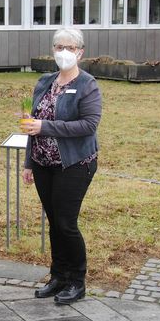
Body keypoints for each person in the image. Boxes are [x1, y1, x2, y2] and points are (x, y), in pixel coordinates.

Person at [21, 27, 102, 305]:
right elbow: (32, 125)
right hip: (44, 164)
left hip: (75, 164)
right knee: (54, 221)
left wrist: (46, 126)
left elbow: (88, 125)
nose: (63, 52)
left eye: (69, 47)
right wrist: (29, 162)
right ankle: (58, 276)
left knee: (66, 223)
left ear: (80, 52)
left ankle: (77, 281)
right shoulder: (44, 81)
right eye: (58, 47)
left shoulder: (88, 84)